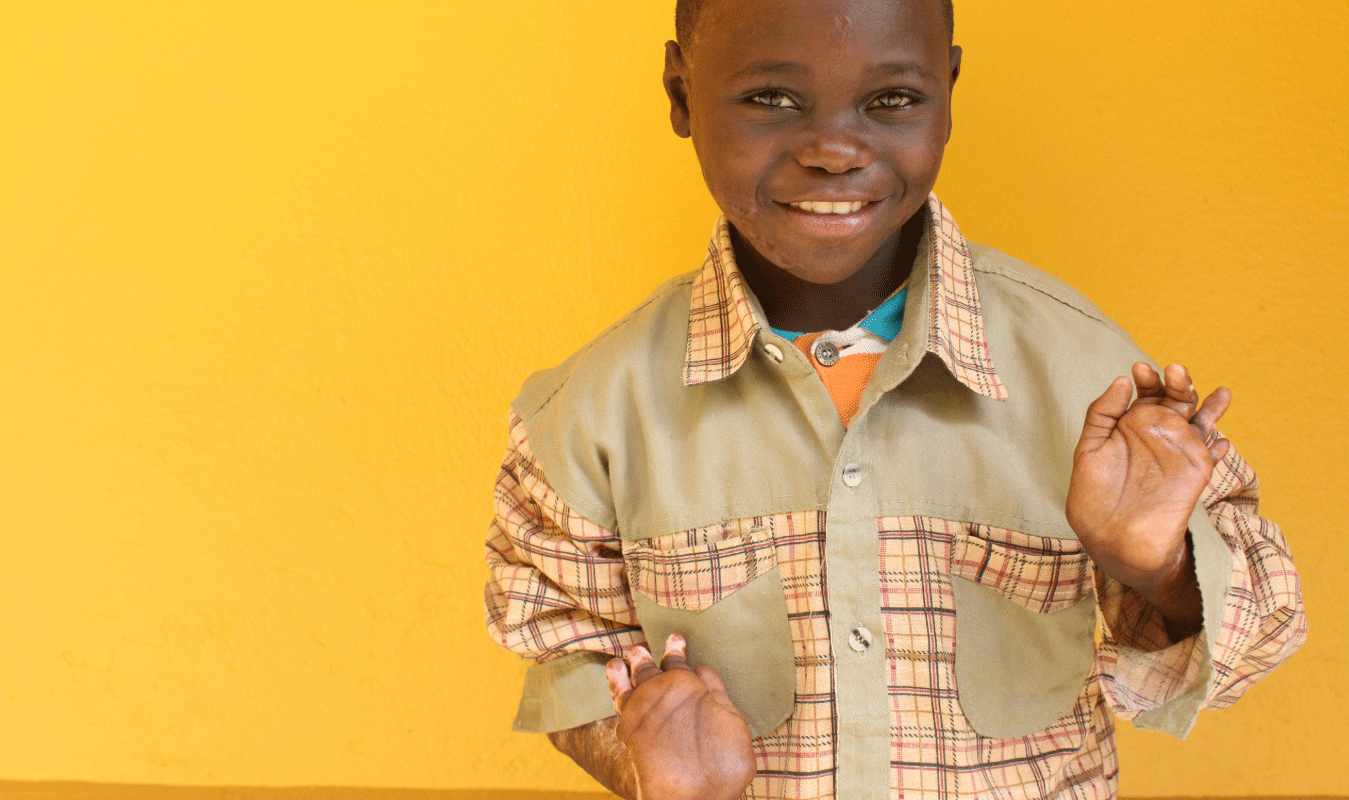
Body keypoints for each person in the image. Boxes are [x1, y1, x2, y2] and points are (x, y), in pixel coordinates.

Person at [482, 0, 1307, 797]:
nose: (836, 150)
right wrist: (653, 774)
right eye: (772, 98)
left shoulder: (1090, 377)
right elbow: (569, 670)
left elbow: (1263, 628)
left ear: (947, 95)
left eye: (892, 100)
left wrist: (1157, 569)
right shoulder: (591, 418)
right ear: (681, 93)